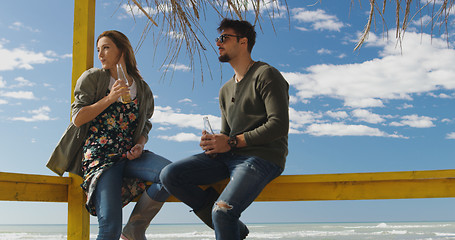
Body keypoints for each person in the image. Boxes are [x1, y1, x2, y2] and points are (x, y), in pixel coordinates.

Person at [160, 18, 289, 240]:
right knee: (170, 175)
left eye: (224, 38)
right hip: (230, 156)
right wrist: (215, 143)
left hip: (262, 157)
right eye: (218, 38)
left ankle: (227, 222)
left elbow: (278, 125)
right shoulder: (225, 89)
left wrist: (230, 142)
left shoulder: (266, 74)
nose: (218, 43)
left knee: (222, 211)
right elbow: (228, 135)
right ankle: (235, 230)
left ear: (243, 42)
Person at [47, 30, 171, 240]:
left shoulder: (142, 88)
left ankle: (134, 228)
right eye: (98, 50)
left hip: (130, 156)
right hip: (101, 159)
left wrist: (140, 144)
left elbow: (145, 125)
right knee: (110, 228)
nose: (100, 54)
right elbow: (77, 118)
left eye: (106, 48)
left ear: (121, 50)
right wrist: (110, 98)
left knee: (171, 173)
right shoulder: (93, 78)